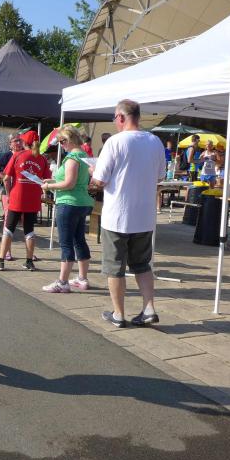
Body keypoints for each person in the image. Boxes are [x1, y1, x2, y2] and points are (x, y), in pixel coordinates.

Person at [92, 100, 166, 328]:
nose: (115, 122)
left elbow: (99, 181)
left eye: (115, 117)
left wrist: (93, 170)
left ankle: (118, 314)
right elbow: (160, 177)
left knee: (115, 267)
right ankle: (149, 308)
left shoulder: (114, 142)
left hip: (117, 216)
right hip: (144, 216)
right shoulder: (154, 141)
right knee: (142, 264)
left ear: (121, 117)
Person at [41, 125, 94, 292]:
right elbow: (75, 181)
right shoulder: (84, 155)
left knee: (66, 243)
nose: (61, 145)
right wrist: (52, 181)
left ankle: (62, 282)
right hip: (82, 202)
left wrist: (50, 186)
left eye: (62, 141)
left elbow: (69, 183)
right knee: (79, 240)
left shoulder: (72, 157)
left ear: (69, 140)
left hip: (68, 203)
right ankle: (82, 278)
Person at [0, 130, 49, 272]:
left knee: (8, 229)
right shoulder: (42, 159)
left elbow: (6, 178)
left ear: (24, 142)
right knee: (29, 230)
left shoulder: (18, 155)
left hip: (17, 198)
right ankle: (29, 262)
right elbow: (46, 180)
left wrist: (9, 195)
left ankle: (1, 261)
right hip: (33, 199)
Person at [0, 135, 24, 261]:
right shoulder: (7, 156)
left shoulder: (26, 154)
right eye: (15, 141)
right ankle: (7, 251)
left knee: (26, 221)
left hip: (23, 192)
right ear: (10, 144)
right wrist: (3, 176)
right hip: (8, 192)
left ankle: (29, 253)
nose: (18, 143)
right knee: (9, 221)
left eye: (20, 140)